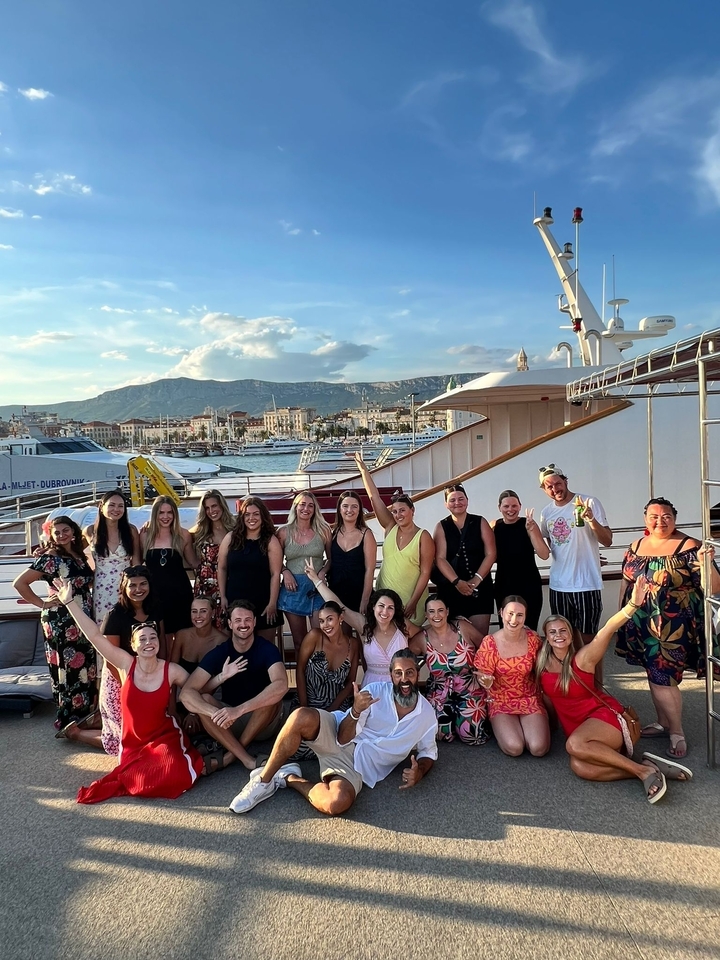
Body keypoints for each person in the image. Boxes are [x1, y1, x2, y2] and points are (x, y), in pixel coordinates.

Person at [537, 576, 693, 803]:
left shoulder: (583, 658)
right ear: (546, 637)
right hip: (580, 729)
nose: (558, 635)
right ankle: (646, 767)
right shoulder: (541, 665)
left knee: (574, 745)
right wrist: (551, 729)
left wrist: (633, 605)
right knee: (580, 767)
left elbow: (607, 629)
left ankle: (644, 772)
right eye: (552, 632)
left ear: (571, 636)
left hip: (604, 719)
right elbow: (550, 701)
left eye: (563, 631)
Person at [228, 649, 438, 816]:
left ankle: (287, 777)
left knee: (336, 803)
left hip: (357, 766)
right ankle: (263, 780)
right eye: (398, 673)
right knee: (301, 716)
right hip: (337, 733)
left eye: (409, 673)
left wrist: (419, 771)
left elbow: (428, 752)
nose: (404, 679)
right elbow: (342, 738)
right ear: (391, 675)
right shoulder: (374, 692)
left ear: (417, 674)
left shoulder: (427, 715)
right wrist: (355, 711)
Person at [52, 578, 205, 803]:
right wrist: (69, 602)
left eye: (153, 637)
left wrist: (220, 678)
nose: (149, 642)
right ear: (133, 645)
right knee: (138, 779)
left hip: (163, 735)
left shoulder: (171, 670)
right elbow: (94, 636)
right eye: (142, 639)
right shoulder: (126, 664)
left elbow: (196, 688)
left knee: (176, 773)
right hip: (133, 742)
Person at [615, 497, 720, 760]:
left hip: (673, 626)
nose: (660, 521)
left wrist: (707, 563)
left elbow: (713, 587)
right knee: (653, 673)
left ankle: (676, 731)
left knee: (663, 677)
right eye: (654, 516)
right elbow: (626, 581)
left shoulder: (690, 546)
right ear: (645, 519)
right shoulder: (636, 546)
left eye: (666, 517)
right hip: (641, 621)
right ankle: (663, 722)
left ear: (674, 518)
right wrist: (621, 616)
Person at [61, 564, 166, 753]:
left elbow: (163, 644)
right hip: (120, 678)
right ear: (124, 587)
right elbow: (110, 659)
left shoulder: (156, 608)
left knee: (150, 732)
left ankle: (101, 721)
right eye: (132, 585)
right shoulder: (115, 616)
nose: (138, 589)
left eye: (143, 584)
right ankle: (76, 733)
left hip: (149, 674)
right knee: (123, 743)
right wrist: (130, 687)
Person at [180, 599, 289, 771]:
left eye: (247, 620)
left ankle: (229, 756)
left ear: (254, 622)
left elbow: (282, 684)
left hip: (262, 722)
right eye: (238, 620)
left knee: (272, 696)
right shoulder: (221, 651)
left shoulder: (267, 649)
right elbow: (186, 693)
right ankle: (246, 759)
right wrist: (220, 681)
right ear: (230, 624)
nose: (243, 624)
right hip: (229, 722)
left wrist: (239, 710)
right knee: (205, 699)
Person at [13, 515, 96, 732]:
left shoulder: (78, 554)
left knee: (86, 664)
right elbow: (20, 583)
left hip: (83, 616)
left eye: (65, 530)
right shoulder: (50, 557)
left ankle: (85, 713)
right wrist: (42, 603)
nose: (61, 535)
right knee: (67, 667)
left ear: (73, 531)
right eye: (56, 532)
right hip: (61, 619)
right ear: (50, 535)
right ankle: (69, 718)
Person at [538, 463, 613, 653]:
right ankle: (572, 673)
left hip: (586, 583)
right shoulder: (546, 513)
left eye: (558, 483)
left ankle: (593, 673)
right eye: (549, 486)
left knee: (589, 639)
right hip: (559, 585)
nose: (555, 489)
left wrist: (591, 519)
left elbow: (607, 540)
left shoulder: (589, 502)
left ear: (565, 481)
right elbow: (552, 546)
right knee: (564, 638)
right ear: (544, 489)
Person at [355, 454, 434, 625]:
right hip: (384, 600)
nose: (398, 515)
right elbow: (374, 497)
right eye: (395, 511)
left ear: (412, 510)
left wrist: (413, 602)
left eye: (402, 510)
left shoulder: (423, 536)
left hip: (410, 601)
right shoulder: (390, 526)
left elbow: (425, 572)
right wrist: (363, 470)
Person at [306, 563, 412, 688]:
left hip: (400, 686)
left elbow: (425, 634)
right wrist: (316, 580)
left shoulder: (402, 625)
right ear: (373, 607)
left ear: (395, 611)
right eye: (381, 606)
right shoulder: (364, 625)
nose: (385, 612)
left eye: (390, 608)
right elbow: (338, 605)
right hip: (372, 686)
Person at [475, 595, 550, 757]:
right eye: (510, 614)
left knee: (538, 748)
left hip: (529, 697)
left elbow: (543, 668)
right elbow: (482, 676)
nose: (514, 620)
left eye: (519, 615)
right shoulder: (490, 643)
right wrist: (485, 681)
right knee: (515, 748)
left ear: (525, 616)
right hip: (500, 699)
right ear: (501, 613)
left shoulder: (533, 639)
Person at [409, 594, 488, 744]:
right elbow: (405, 658)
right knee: (441, 734)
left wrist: (484, 673)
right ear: (426, 615)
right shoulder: (421, 639)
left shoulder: (462, 628)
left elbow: (487, 647)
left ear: (447, 611)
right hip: (439, 692)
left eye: (440, 610)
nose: (436, 615)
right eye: (431, 611)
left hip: (469, 689)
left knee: (472, 735)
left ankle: (465, 720)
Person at [432, 483, 496, 636]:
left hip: (480, 588)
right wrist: (457, 582)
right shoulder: (441, 526)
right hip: (451, 589)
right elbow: (440, 558)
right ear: (446, 504)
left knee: (479, 637)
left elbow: (491, 553)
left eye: (461, 499)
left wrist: (477, 579)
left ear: (467, 500)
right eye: (452, 500)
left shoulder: (480, 521)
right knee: (455, 637)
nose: (457, 503)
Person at [218, 496, 283, 642]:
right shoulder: (230, 538)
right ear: (242, 517)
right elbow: (221, 568)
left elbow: (275, 574)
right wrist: (223, 596)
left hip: (263, 601)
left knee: (264, 648)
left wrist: (272, 603)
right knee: (235, 647)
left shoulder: (270, 540)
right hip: (234, 601)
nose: (251, 518)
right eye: (247, 514)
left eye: (256, 514)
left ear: (263, 516)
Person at [277, 492, 332, 656]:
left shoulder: (324, 530)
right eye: (302, 504)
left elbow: (331, 559)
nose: (306, 508)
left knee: (320, 639)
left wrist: (323, 572)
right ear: (295, 506)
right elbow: (275, 561)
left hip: (317, 588)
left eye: (310, 505)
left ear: (315, 509)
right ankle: (302, 673)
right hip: (293, 589)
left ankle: (319, 673)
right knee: (299, 642)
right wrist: (285, 571)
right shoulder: (283, 532)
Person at [171, 595, 228, 742]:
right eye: (194, 611)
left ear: (213, 613)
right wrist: (171, 709)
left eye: (203, 611)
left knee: (197, 727)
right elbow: (170, 675)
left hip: (207, 696)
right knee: (174, 727)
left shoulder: (222, 641)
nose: (198, 616)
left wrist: (194, 713)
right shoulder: (181, 635)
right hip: (181, 695)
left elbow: (215, 684)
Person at [141, 496, 197, 640]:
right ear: (155, 514)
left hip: (179, 593)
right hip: (154, 595)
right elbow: (137, 564)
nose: (165, 516)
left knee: (181, 635)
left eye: (169, 512)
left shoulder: (183, 535)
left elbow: (193, 562)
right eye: (161, 512)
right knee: (158, 635)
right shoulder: (145, 535)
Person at [491, 490, 549, 631]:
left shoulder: (528, 524)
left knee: (529, 628)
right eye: (506, 506)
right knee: (507, 628)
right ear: (499, 507)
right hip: (504, 585)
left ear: (520, 506)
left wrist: (531, 530)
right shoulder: (494, 526)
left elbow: (544, 554)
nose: (510, 510)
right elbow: (488, 556)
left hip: (529, 585)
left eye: (514, 506)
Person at [84, 489, 141, 623]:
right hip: (101, 590)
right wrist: (46, 549)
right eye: (112, 505)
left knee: (127, 627)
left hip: (126, 588)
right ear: (101, 506)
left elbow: (136, 562)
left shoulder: (131, 530)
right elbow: (72, 551)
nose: (116, 509)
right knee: (104, 628)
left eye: (121, 506)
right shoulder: (90, 531)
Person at [295, 601, 360, 713]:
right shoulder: (314, 636)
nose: (325, 625)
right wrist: (304, 708)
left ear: (341, 618)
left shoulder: (353, 644)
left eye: (330, 619)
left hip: (338, 707)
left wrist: (332, 710)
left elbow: (350, 682)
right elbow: (300, 670)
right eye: (321, 621)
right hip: (307, 704)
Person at [327, 490, 377, 620]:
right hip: (337, 594)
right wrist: (320, 573)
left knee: (363, 630)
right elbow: (330, 561)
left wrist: (365, 599)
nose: (349, 510)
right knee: (341, 632)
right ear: (339, 509)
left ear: (360, 510)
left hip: (359, 594)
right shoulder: (333, 533)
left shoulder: (366, 534)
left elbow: (370, 569)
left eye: (354, 506)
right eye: (345, 506)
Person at [190, 489, 235, 628]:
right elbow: (177, 534)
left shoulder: (235, 529)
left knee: (227, 624)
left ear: (222, 505)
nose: (211, 511)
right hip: (205, 585)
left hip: (229, 582)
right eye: (207, 508)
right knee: (206, 624)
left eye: (214, 506)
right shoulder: (199, 531)